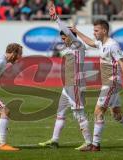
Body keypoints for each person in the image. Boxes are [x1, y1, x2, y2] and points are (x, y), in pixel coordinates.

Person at [71, 19, 123, 151]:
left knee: (98, 111)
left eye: (96, 30)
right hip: (109, 83)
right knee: (116, 114)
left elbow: (122, 63)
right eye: (94, 30)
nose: (94, 33)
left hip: (112, 82)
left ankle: (95, 145)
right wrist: (77, 31)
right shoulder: (101, 43)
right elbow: (90, 42)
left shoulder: (113, 45)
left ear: (104, 31)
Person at [38, 3, 92, 151]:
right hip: (67, 85)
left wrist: (56, 18)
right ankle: (54, 140)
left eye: (65, 37)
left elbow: (67, 33)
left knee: (78, 113)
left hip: (74, 84)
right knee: (60, 113)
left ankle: (89, 143)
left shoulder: (78, 46)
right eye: (62, 38)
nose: (64, 39)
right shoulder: (68, 48)